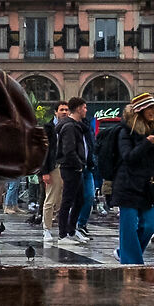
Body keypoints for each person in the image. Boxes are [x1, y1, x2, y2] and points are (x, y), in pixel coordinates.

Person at [111, 94, 154, 264]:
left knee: (150, 225)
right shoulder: (125, 131)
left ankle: (124, 252)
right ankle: (133, 263)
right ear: (140, 110)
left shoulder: (153, 131)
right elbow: (128, 157)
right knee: (129, 227)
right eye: (150, 108)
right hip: (127, 184)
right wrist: (146, 143)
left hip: (146, 185)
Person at [55, 98, 93, 244]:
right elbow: (69, 150)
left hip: (77, 167)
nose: (86, 110)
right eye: (84, 107)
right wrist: (78, 164)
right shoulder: (70, 127)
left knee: (80, 200)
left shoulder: (78, 125)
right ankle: (62, 235)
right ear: (77, 109)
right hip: (71, 167)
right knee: (68, 200)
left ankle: (71, 230)